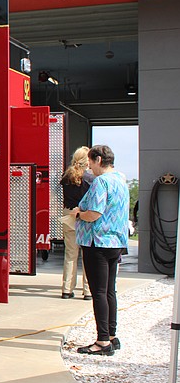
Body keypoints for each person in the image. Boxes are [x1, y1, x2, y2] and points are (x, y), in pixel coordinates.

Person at [71, 145, 129, 356]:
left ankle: (102, 341)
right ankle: (112, 335)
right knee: (110, 290)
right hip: (116, 242)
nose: (89, 168)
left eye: (90, 163)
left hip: (98, 242)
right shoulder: (121, 178)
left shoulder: (101, 182)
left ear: (98, 160)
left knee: (99, 293)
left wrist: (79, 213)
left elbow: (94, 213)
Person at [59, 146, 91, 300]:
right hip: (84, 215)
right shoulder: (90, 178)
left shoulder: (67, 176)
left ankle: (67, 289)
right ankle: (88, 290)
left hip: (69, 215)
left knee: (70, 254)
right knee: (87, 254)